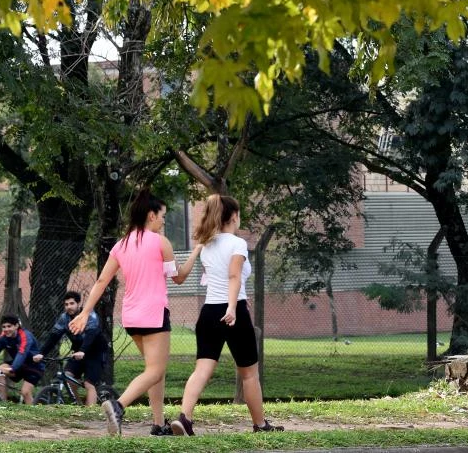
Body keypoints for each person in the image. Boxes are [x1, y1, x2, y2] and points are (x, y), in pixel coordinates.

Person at [69, 187, 201, 437]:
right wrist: (196, 251)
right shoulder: (161, 242)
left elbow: (101, 282)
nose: (163, 220)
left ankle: (159, 424)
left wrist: (85, 312)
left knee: (154, 369)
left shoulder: (121, 245)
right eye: (162, 215)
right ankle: (118, 407)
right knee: (155, 370)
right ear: (151, 215)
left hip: (131, 317)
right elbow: (179, 278)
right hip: (154, 314)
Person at [171, 194, 283, 436]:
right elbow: (233, 275)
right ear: (233, 216)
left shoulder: (207, 244)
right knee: (249, 373)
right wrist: (232, 308)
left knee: (202, 369)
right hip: (232, 311)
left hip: (209, 312)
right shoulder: (237, 243)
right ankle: (260, 425)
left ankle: (185, 418)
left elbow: (225, 278)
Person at [33, 290, 108, 406]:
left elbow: (91, 335)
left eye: (72, 303)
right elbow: (54, 336)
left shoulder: (89, 314)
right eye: (66, 304)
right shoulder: (64, 318)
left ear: (78, 304)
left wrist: (83, 351)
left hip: (95, 352)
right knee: (67, 376)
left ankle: (91, 413)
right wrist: (42, 353)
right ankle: (78, 405)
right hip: (78, 353)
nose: (69, 307)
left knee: (89, 384)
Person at [0, 314, 45, 404]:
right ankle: (3, 404)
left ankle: (33, 414)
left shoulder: (25, 335)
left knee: (25, 392)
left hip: (34, 366)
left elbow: (22, 353)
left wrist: (13, 368)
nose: (6, 329)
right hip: (19, 365)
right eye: (4, 327)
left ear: (17, 326)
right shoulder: (3, 337)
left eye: (9, 326)